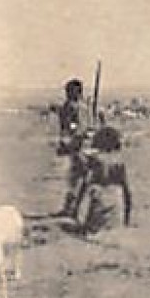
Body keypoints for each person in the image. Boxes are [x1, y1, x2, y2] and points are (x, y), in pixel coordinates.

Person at [73, 125, 133, 235]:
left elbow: (85, 185)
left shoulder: (96, 161)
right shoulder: (119, 163)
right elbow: (127, 191)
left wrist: (76, 209)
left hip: (100, 200)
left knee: (89, 227)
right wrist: (127, 217)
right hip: (116, 201)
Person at [56, 79, 95, 216]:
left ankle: (75, 209)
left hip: (80, 146)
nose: (67, 94)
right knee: (76, 179)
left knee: (80, 179)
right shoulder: (70, 107)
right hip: (76, 146)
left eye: (70, 91)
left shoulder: (79, 107)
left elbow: (80, 128)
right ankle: (72, 208)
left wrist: (70, 140)